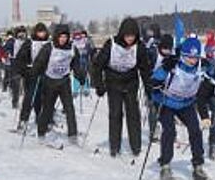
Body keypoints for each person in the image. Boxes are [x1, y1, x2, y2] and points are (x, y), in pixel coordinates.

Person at [151, 37, 209, 180]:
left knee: (195, 130)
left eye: (195, 57)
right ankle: (165, 165)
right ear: (183, 55)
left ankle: (198, 166)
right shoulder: (172, 64)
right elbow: (153, 82)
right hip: (166, 102)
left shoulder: (201, 66)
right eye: (189, 57)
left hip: (186, 103)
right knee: (169, 131)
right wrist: (161, 74)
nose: (192, 60)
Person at [91, 17, 151, 157]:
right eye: (127, 36)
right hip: (113, 82)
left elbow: (145, 69)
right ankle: (114, 147)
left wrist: (149, 89)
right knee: (116, 114)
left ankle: (136, 147)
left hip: (130, 83)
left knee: (133, 115)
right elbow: (98, 66)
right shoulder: (111, 44)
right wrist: (99, 85)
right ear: (122, 34)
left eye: (133, 36)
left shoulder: (139, 47)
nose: (130, 39)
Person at [31, 24, 86, 143]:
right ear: (56, 36)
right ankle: (41, 132)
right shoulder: (48, 47)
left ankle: (72, 135)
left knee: (69, 108)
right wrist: (35, 73)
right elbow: (39, 62)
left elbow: (76, 66)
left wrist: (80, 77)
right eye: (61, 37)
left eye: (65, 37)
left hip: (64, 81)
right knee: (47, 108)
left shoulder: (72, 49)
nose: (63, 39)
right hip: (49, 81)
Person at [14, 22, 50, 129]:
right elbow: (20, 58)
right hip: (31, 75)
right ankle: (23, 120)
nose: (41, 34)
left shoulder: (49, 43)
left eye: (43, 32)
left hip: (45, 75)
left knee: (43, 99)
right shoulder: (29, 43)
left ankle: (41, 120)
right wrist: (24, 70)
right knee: (29, 98)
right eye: (39, 32)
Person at [147, 34, 174, 141]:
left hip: (164, 85)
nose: (167, 51)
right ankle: (153, 132)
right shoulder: (153, 53)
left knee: (166, 108)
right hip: (151, 83)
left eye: (169, 49)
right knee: (153, 108)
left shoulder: (171, 56)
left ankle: (169, 131)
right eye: (165, 48)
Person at [4, 26, 28, 108]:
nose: (21, 34)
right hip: (15, 64)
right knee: (16, 85)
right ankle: (15, 101)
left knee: (26, 86)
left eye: (23, 32)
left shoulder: (28, 42)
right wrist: (7, 53)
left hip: (26, 65)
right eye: (20, 32)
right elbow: (5, 49)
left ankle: (27, 102)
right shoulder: (12, 41)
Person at [71, 31, 94, 97]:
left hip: (84, 61)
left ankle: (86, 89)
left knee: (85, 74)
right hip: (76, 62)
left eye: (79, 36)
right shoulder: (72, 44)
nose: (78, 38)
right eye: (76, 37)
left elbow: (90, 50)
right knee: (75, 75)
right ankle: (75, 90)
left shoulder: (85, 43)